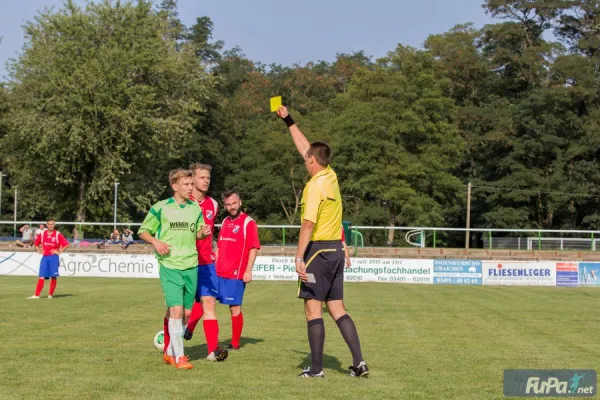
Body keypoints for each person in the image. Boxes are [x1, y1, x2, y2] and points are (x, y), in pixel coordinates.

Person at [277, 105, 369, 378]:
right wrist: (288, 121)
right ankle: (359, 363)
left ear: (313, 162)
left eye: (307, 160)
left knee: (312, 310)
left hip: (317, 251)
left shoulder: (314, 185)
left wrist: (298, 257)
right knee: (338, 308)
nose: (305, 161)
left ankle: (316, 369)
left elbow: (307, 224)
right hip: (336, 250)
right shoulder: (331, 175)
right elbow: (306, 147)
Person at [137, 168, 210, 370]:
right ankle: (180, 357)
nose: (190, 188)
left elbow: (198, 234)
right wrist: (156, 242)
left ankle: (169, 352)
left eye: (191, 184)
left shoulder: (195, 209)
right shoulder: (161, 208)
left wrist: (203, 233)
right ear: (174, 185)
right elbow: (143, 231)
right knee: (176, 311)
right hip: (169, 264)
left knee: (186, 314)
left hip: (191, 264)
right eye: (186, 184)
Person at [182, 164, 228, 362]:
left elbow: (211, 231)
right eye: (202, 177)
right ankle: (171, 347)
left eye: (208, 177)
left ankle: (212, 351)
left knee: (209, 304)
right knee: (181, 309)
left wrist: (215, 248)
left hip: (207, 263)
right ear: (193, 179)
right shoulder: (184, 203)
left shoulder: (214, 204)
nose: (206, 180)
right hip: (186, 262)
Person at [214, 190, 260, 351]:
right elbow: (220, 245)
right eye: (228, 204)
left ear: (240, 202)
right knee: (204, 300)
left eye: (234, 203)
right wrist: (215, 259)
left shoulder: (248, 223)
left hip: (235, 272)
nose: (232, 207)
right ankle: (190, 331)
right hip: (218, 270)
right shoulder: (226, 221)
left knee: (234, 307)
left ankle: (235, 343)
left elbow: (253, 248)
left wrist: (248, 271)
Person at [28, 218, 69, 299]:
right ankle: (36, 295)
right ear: (47, 225)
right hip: (45, 257)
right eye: (49, 224)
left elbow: (66, 244)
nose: (51, 225)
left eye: (52, 224)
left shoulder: (57, 234)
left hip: (54, 258)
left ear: (54, 225)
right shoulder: (42, 234)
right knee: (41, 276)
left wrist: (59, 251)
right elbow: (36, 244)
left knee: (53, 276)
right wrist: (39, 250)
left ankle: (50, 295)